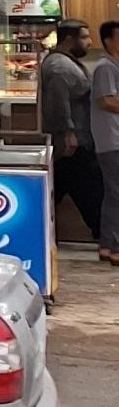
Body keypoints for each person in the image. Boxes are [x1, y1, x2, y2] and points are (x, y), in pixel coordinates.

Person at [41, 19, 103, 249]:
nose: (89, 41)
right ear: (69, 40)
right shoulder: (60, 67)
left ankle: (104, 234)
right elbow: (58, 103)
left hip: (76, 141)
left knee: (66, 189)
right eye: (85, 37)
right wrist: (67, 133)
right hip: (72, 142)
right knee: (90, 191)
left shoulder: (67, 63)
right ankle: (105, 236)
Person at [90, 19, 119, 267]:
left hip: (114, 139)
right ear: (109, 40)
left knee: (113, 194)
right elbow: (106, 101)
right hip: (112, 139)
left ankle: (108, 246)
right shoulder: (105, 67)